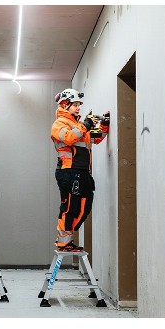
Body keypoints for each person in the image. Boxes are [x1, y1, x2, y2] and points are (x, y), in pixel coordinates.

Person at [51, 88, 110, 252]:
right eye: (75, 105)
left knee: (84, 207)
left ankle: (67, 239)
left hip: (82, 172)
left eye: (79, 105)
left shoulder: (79, 126)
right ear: (65, 104)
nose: (78, 108)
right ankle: (63, 243)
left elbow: (96, 138)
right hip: (68, 171)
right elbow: (69, 138)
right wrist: (86, 124)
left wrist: (104, 124)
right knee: (69, 207)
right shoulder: (59, 124)